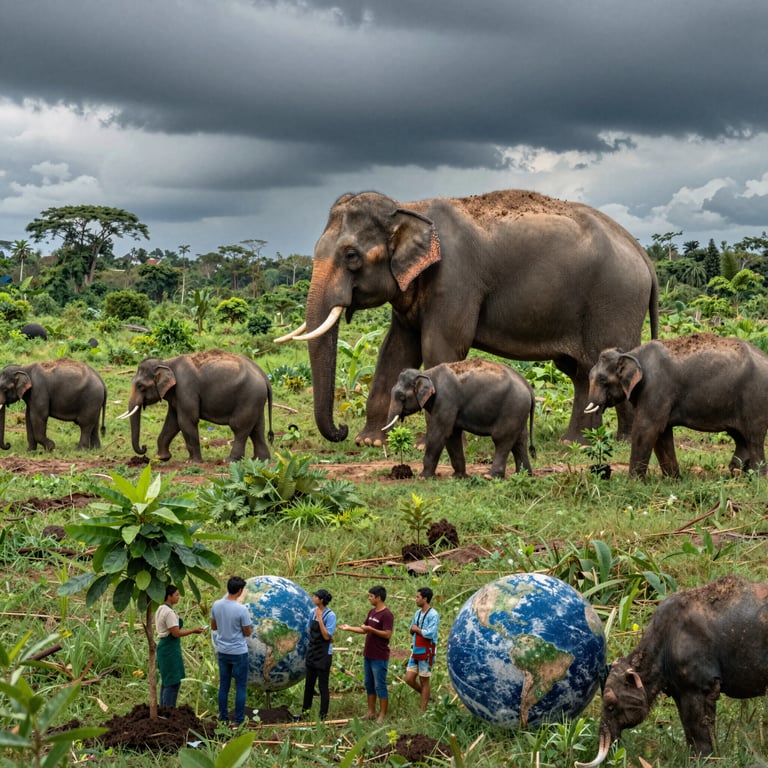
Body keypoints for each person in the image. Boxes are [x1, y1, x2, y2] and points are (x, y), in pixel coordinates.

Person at [339, 585, 393, 722]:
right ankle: (371, 712)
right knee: (369, 683)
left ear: (378, 597)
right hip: (368, 654)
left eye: (371, 596)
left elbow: (387, 634)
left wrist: (371, 629)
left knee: (380, 685)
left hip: (379, 656)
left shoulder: (387, 614)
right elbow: (364, 629)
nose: (369, 598)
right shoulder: (372, 612)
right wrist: (349, 628)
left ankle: (382, 714)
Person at [210, 576, 253, 726]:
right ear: (240, 590)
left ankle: (223, 718)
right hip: (238, 653)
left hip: (223, 651)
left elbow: (214, 626)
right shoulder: (241, 609)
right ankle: (239, 720)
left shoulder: (216, 605)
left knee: (224, 686)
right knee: (240, 687)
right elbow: (247, 632)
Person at [155, 584, 206, 707]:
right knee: (173, 681)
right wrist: (193, 630)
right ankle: (168, 710)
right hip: (170, 649)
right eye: (176, 595)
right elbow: (176, 633)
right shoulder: (169, 613)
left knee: (167, 680)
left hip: (164, 647)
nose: (179, 597)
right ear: (169, 596)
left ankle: (163, 709)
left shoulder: (161, 608)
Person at [301, 588, 337, 720]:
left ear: (321, 600)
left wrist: (320, 619)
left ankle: (323, 715)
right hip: (312, 651)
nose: (313, 598)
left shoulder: (330, 615)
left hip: (323, 655)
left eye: (315, 597)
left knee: (323, 686)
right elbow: (309, 629)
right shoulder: (312, 612)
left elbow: (327, 636)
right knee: (309, 685)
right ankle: (305, 712)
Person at [404, 586, 440, 711]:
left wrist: (417, 629)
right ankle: (427, 696)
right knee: (409, 679)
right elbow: (411, 628)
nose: (416, 599)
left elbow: (430, 633)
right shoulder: (417, 613)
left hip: (427, 651)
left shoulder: (434, 615)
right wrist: (414, 629)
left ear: (425, 599)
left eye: (418, 597)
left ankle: (423, 709)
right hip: (416, 649)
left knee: (424, 680)